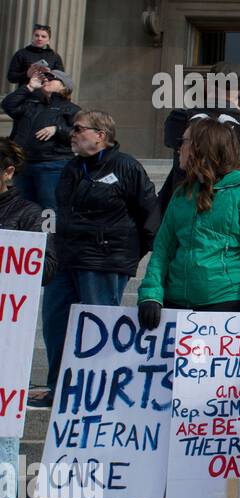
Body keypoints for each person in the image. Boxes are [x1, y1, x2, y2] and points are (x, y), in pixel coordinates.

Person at [128, 117, 240, 498]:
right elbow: (162, 251)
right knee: (169, 407)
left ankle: (224, 492)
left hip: (227, 308)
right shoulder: (182, 195)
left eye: (183, 144)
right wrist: (151, 293)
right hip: (178, 309)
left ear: (202, 148)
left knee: (217, 410)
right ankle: (166, 493)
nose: (177, 150)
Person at [35, 112, 159, 408]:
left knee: (98, 329)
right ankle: (60, 387)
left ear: (101, 134)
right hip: (67, 259)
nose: (71, 134)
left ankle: (99, 391)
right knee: (56, 323)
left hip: (104, 261)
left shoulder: (126, 166)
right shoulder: (72, 167)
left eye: (78, 129)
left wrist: (130, 254)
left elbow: (150, 215)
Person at [0, 139, 55, 498]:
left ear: (7, 173)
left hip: (6, 342)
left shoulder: (29, 215)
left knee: (3, 438)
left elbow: (47, 268)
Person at [160, 62, 240, 213]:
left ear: (206, 85)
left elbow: (170, 140)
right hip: (234, 209)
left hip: (186, 205)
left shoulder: (180, 117)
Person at [1, 68, 78, 213]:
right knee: (22, 208)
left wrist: (57, 129)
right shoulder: (31, 104)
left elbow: (79, 133)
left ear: (64, 86)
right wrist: (29, 87)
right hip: (25, 164)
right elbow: (7, 105)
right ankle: (27, 235)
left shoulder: (72, 109)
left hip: (52, 165)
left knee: (49, 208)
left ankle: (50, 236)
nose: (46, 80)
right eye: (45, 77)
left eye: (52, 78)